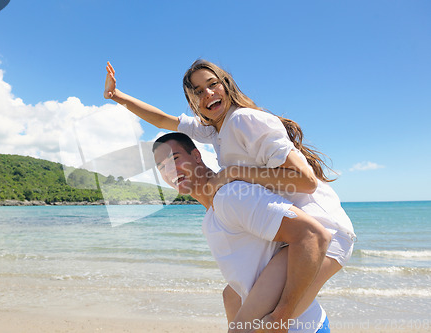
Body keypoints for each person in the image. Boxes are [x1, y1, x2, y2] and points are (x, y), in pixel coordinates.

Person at [104, 60, 355, 327]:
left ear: (226, 85)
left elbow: (305, 182)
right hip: (297, 231)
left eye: (213, 85)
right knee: (233, 297)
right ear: (193, 101)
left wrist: (235, 172)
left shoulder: (243, 120)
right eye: (198, 91)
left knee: (266, 323)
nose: (208, 94)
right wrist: (116, 96)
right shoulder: (214, 130)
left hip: (324, 230)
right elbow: (165, 120)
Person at [152, 132, 331, 333]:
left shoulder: (231, 196)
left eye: (175, 159)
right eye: (161, 167)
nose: (170, 170)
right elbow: (238, 287)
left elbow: (313, 236)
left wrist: (281, 317)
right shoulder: (212, 216)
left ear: (196, 156)